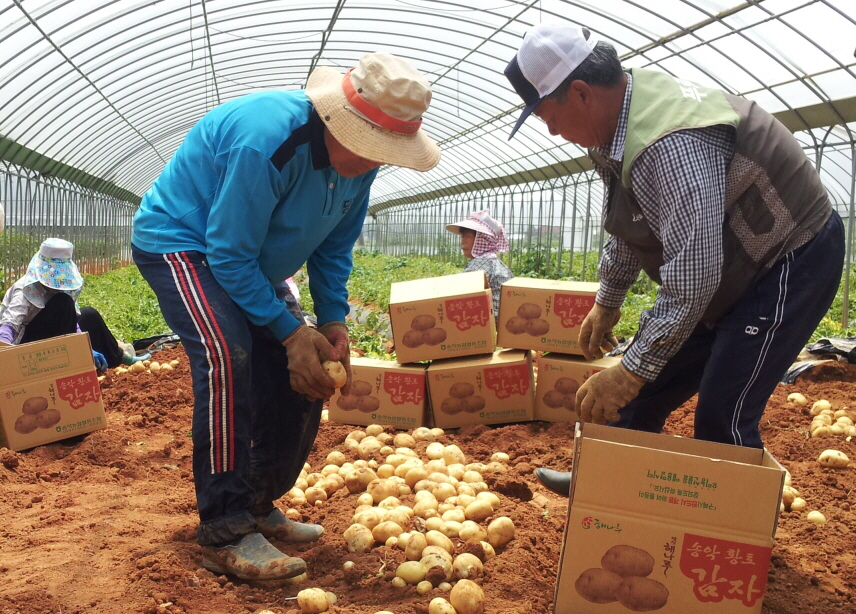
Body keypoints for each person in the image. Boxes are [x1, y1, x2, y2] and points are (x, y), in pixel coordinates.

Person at [131, 53, 440, 579]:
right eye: (370, 147)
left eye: (386, 153)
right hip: (185, 246)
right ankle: (224, 527)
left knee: (307, 367)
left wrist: (332, 321)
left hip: (253, 259)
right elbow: (226, 252)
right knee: (229, 354)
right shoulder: (267, 140)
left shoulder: (360, 168)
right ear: (337, 121)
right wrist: (289, 331)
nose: (374, 161)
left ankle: (256, 502)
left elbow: (333, 249)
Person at [504, 24, 844, 496]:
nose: (553, 130)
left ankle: (733, 539)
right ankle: (605, 484)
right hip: (729, 261)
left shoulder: (669, 143)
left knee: (721, 412)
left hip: (789, 257)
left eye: (547, 115)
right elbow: (631, 220)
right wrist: (609, 299)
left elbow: (694, 276)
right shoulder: (617, 127)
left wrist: (631, 370)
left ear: (579, 93)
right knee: (639, 390)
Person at [0, 238, 140, 370]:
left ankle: (117, 358)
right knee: (63, 302)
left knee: (89, 315)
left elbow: (71, 323)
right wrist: (6, 357)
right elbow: (9, 325)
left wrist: (85, 347)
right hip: (22, 349)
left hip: (49, 336)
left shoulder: (59, 288)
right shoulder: (25, 289)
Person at [445, 209, 513, 318]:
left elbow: (458, 295)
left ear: (482, 240)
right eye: (463, 236)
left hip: (488, 322)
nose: (463, 241)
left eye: (467, 237)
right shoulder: (494, 262)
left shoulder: (481, 265)